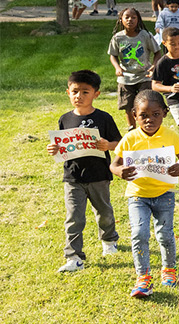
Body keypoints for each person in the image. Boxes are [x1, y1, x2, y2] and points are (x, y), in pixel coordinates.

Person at [110, 90, 179, 298]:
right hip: (138, 195)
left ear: (164, 113)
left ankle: (169, 269)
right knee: (139, 234)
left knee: (164, 234)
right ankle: (143, 278)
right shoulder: (130, 138)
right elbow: (114, 164)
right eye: (143, 115)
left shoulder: (170, 136)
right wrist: (120, 171)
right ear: (134, 115)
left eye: (155, 114)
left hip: (164, 193)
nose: (149, 120)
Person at [48, 70, 123, 273]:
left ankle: (108, 240)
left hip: (99, 175)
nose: (78, 96)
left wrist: (107, 145)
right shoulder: (65, 119)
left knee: (104, 212)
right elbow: (61, 146)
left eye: (84, 92)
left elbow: (119, 143)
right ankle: (74, 257)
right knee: (74, 217)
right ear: (68, 92)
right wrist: (54, 149)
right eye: (74, 91)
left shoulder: (104, 118)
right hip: (73, 177)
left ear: (96, 94)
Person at [109, 8, 163, 130]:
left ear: (138, 19)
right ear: (121, 19)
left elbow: (157, 52)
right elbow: (113, 55)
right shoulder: (117, 38)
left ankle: (146, 128)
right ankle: (131, 128)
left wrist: (154, 66)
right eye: (127, 17)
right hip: (126, 78)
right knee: (128, 106)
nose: (130, 20)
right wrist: (117, 67)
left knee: (147, 102)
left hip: (144, 75)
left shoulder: (145, 35)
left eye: (133, 17)